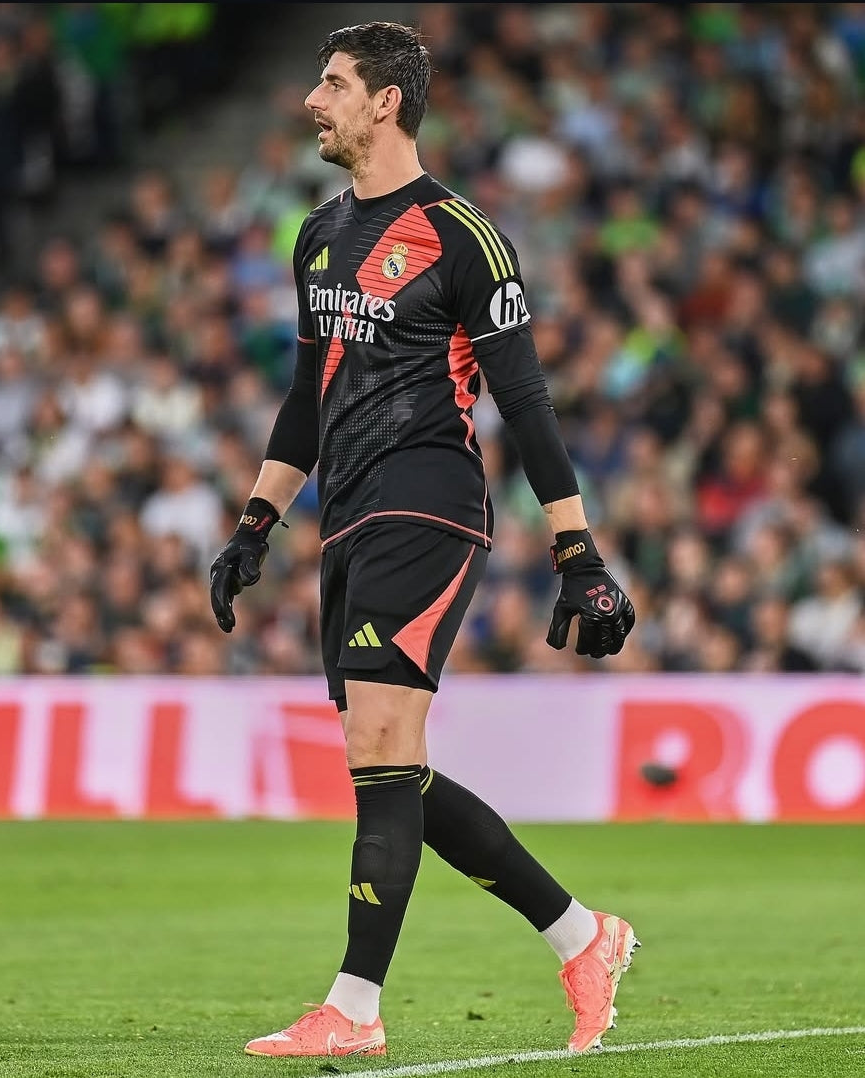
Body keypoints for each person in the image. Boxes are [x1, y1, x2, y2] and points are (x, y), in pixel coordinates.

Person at [208, 22, 639, 1060]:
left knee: (379, 750)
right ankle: (581, 935)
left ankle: (354, 1006)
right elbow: (305, 400)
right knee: (388, 764)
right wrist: (255, 521)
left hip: (430, 505)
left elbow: (524, 401)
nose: (312, 101)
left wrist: (577, 552)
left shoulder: (461, 236)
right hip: (347, 515)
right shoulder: (317, 235)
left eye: (332, 83)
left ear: (386, 100)